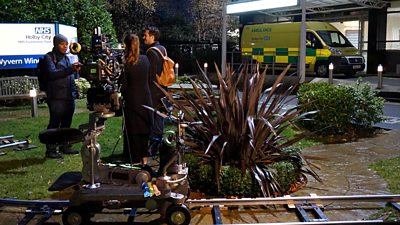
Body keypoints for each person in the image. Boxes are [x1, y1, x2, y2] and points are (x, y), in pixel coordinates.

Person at [44, 34, 82, 159]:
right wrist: (71, 69)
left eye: (66, 44)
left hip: (68, 96)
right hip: (56, 97)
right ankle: (50, 150)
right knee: (54, 123)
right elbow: (52, 74)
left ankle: (65, 146)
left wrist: (74, 91)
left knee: (67, 122)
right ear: (56, 44)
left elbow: (69, 76)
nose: (65, 46)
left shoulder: (66, 57)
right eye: (62, 44)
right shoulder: (49, 58)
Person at [120, 33, 153, 165]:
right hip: (146, 97)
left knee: (133, 129)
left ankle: (134, 159)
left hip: (132, 99)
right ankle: (144, 158)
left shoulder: (126, 63)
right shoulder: (145, 60)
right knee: (144, 129)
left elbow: (124, 85)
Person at [143, 26, 167, 153]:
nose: (144, 38)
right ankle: (159, 144)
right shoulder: (162, 49)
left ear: (152, 36)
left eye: (145, 35)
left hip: (154, 90)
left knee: (154, 118)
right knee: (160, 117)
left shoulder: (151, 52)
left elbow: (150, 74)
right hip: (163, 88)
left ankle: (154, 147)